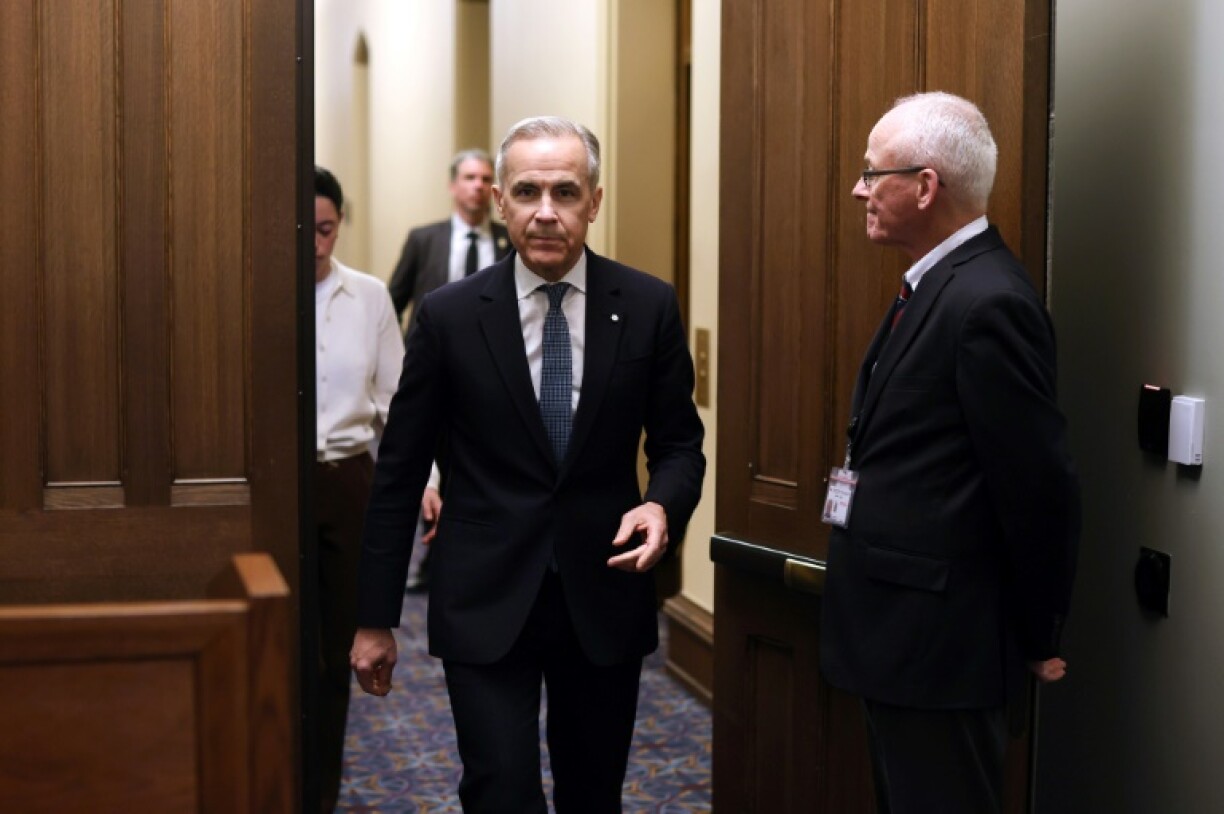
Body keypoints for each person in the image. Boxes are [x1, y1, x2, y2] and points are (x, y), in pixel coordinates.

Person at [350, 116, 705, 813]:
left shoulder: (646, 306)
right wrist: (374, 617)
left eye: (566, 192)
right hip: (484, 594)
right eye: (528, 191)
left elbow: (679, 444)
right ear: (501, 202)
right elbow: (398, 473)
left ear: (594, 202)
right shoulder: (450, 316)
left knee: (592, 793)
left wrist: (662, 503)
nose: (547, 211)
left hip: (603, 592)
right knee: (499, 789)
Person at [819, 93, 1079, 814]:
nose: (859, 189)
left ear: (925, 185)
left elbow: (1038, 487)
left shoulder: (987, 301)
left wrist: (1037, 631)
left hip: (943, 651)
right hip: (905, 643)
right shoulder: (938, 284)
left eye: (874, 174)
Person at [312, 166, 404, 813]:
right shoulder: (259, 287)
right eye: (305, 229)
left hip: (348, 483)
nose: (316, 243)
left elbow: (396, 401)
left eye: (327, 228)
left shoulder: (369, 296)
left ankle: (321, 790)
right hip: (279, 489)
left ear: (340, 223)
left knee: (341, 643)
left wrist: (425, 479)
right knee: (280, 639)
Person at [386, 148, 514, 591]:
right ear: (452, 185)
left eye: (484, 179)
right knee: (425, 462)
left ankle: (458, 553)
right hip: (433, 367)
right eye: (469, 177)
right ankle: (422, 554)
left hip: (490, 372)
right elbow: (396, 298)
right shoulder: (425, 239)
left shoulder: (508, 240)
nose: (477, 186)